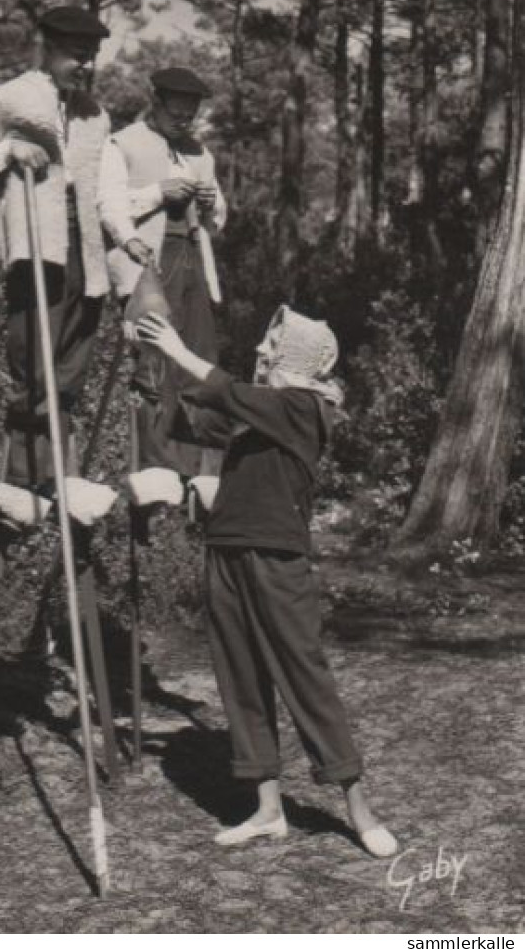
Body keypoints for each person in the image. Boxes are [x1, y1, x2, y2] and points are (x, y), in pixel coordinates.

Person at [136, 305, 398, 858]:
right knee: (241, 677)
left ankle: (359, 807)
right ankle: (268, 810)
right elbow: (190, 417)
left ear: (300, 358)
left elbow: (228, 393)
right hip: (224, 552)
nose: (260, 352)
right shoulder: (258, 411)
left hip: (277, 560)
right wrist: (151, 370)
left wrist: (177, 349)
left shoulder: (306, 409)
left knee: (305, 677)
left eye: (271, 346)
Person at [0, 6, 112, 507]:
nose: (84, 66)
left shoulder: (94, 114)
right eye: (76, 55)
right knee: (32, 361)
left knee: (71, 362)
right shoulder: (7, 98)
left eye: (91, 57)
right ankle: (21, 477)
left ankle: (56, 473)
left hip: (85, 249)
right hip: (36, 248)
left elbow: (103, 186)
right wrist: (9, 153)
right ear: (47, 47)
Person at [97, 66, 227, 484]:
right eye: (176, 114)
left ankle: (195, 476)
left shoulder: (200, 152)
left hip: (193, 260)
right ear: (156, 104)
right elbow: (109, 207)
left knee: (198, 361)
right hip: (149, 264)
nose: (183, 122)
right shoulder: (123, 144)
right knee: (153, 365)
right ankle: (154, 476)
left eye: (190, 115)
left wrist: (208, 203)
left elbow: (218, 220)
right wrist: (158, 193)